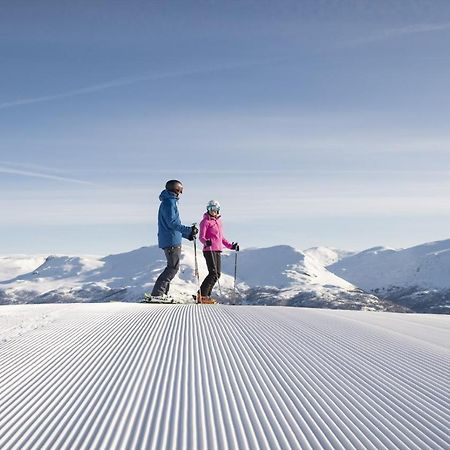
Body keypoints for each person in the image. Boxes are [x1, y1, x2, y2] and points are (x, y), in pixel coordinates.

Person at [148, 179, 197, 302]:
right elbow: (172, 223)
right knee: (172, 268)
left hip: (171, 238)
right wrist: (189, 230)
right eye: (180, 189)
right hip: (171, 240)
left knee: (172, 267)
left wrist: (188, 235)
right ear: (177, 189)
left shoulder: (169, 201)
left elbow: (173, 225)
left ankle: (162, 294)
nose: (181, 192)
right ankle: (157, 294)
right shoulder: (169, 202)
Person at [197, 200, 239, 304]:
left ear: (218, 210)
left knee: (217, 274)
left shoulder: (219, 222)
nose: (213, 211)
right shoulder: (205, 222)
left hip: (217, 250)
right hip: (209, 250)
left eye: (215, 209)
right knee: (213, 273)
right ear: (208, 209)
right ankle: (202, 295)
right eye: (211, 209)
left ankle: (204, 296)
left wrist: (231, 246)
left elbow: (221, 238)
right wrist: (206, 242)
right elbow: (201, 237)